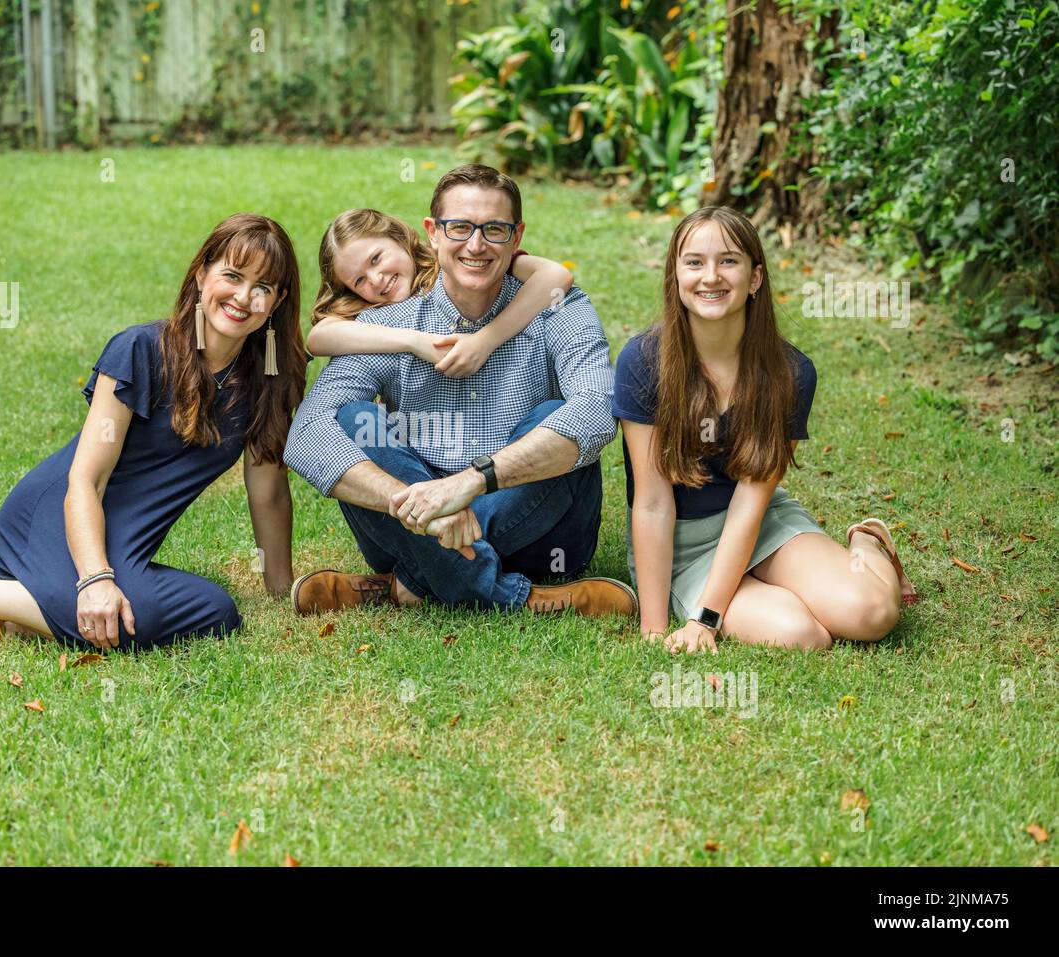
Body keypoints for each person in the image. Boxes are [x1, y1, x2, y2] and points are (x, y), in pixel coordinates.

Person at [0, 213, 307, 653]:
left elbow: (269, 491)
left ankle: (10, 622)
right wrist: (95, 578)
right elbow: (87, 480)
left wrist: (280, 592)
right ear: (202, 274)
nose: (243, 297)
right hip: (56, 519)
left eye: (262, 287)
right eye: (232, 276)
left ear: (276, 301)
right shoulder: (140, 350)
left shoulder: (271, 379)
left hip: (126, 541)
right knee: (119, 609)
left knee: (216, 613)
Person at [285, 164, 635, 618]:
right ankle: (522, 597)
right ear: (432, 233)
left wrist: (471, 484)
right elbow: (308, 435)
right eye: (460, 228)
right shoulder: (385, 326)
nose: (476, 244)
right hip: (418, 512)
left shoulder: (556, 305)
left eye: (494, 229)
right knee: (354, 422)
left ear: (516, 236)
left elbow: (597, 410)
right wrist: (418, 504)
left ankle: (408, 584)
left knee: (557, 415)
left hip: (543, 531)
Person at [616, 205, 917, 655]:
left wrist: (708, 619)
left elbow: (750, 503)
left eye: (729, 261)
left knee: (871, 613)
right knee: (802, 635)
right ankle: (769, 586)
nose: (710, 276)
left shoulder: (791, 373)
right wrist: (654, 631)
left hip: (760, 522)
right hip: (682, 542)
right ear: (675, 276)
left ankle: (868, 540)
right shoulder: (642, 362)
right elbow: (654, 504)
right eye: (694, 262)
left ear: (755, 278)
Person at [308, 207, 574, 377]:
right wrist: (414, 341)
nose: (377, 280)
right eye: (359, 280)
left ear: (399, 237)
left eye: (376, 258)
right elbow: (319, 337)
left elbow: (555, 276)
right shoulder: (372, 308)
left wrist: (486, 340)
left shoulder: (460, 263)